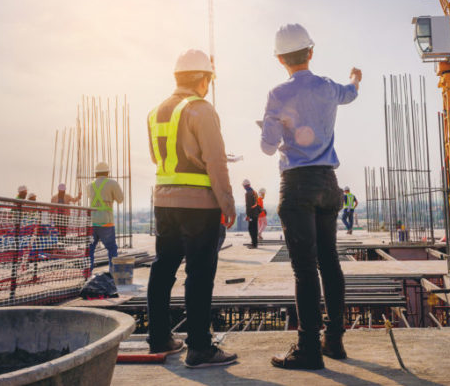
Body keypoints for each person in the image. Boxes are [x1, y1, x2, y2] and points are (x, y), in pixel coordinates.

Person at [260, 23, 362, 370]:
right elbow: (351, 92)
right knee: (330, 262)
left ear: (279, 59)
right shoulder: (330, 88)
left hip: (298, 185)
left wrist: (271, 126)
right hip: (328, 183)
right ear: (311, 52)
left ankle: (308, 349)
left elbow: (267, 146)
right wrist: (355, 78)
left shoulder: (277, 93)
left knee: (305, 270)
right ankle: (333, 341)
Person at [146, 49, 237, 367]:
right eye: (209, 80)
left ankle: (159, 339)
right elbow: (215, 160)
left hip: (163, 202)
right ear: (203, 79)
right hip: (199, 205)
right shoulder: (201, 109)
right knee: (199, 274)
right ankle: (199, 347)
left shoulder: (156, 111)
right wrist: (227, 202)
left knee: (163, 270)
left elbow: (158, 158)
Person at [88, 161, 124, 272]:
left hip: (92, 221)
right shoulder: (112, 183)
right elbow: (120, 199)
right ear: (108, 172)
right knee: (112, 248)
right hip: (106, 221)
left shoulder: (90, 185)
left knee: (90, 249)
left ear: (96, 173)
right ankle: (113, 275)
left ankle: (87, 273)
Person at [242, 179, 259, 248]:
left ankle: (254, 244)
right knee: (254, 228)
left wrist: (248, 215)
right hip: (255, 214)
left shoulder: (248, 193)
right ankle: (254, 243)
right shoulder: (254, 192)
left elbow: (249, 206)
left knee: (251, 228)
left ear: (244, 186)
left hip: (251, 214)